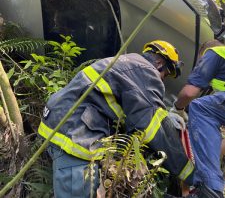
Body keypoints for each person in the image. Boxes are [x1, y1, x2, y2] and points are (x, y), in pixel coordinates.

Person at [38, 40, 194, 198]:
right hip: (74, 134)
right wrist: (189, 174)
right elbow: (154, 129)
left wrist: (165, 114)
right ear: (159, 62)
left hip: (61, 124)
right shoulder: (146, 72)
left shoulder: (128, 63)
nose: (162, 81)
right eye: (165, 75)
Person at [167, 39, 225, 198]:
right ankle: (208, 188)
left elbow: (189, 93)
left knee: (199, 107)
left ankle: (210, 188)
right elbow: (217, 147)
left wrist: (177, 109)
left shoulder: (214, 53)